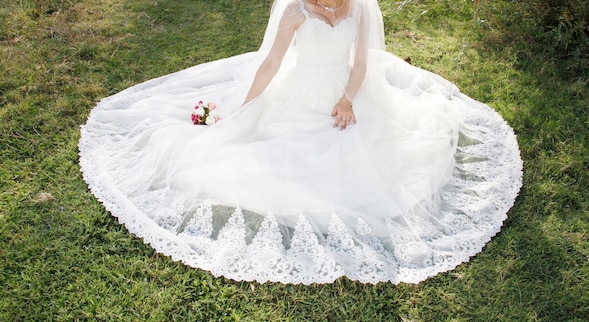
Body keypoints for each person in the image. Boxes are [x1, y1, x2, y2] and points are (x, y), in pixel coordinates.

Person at [79, 0, 523, 284]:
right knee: (275, 156)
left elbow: (362, 61)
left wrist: (348, 98)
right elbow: (272, 62)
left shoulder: (361, 8)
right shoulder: (294, 11)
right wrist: (247, 108)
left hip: (346, 91)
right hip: (299, 92)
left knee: (374, 147)